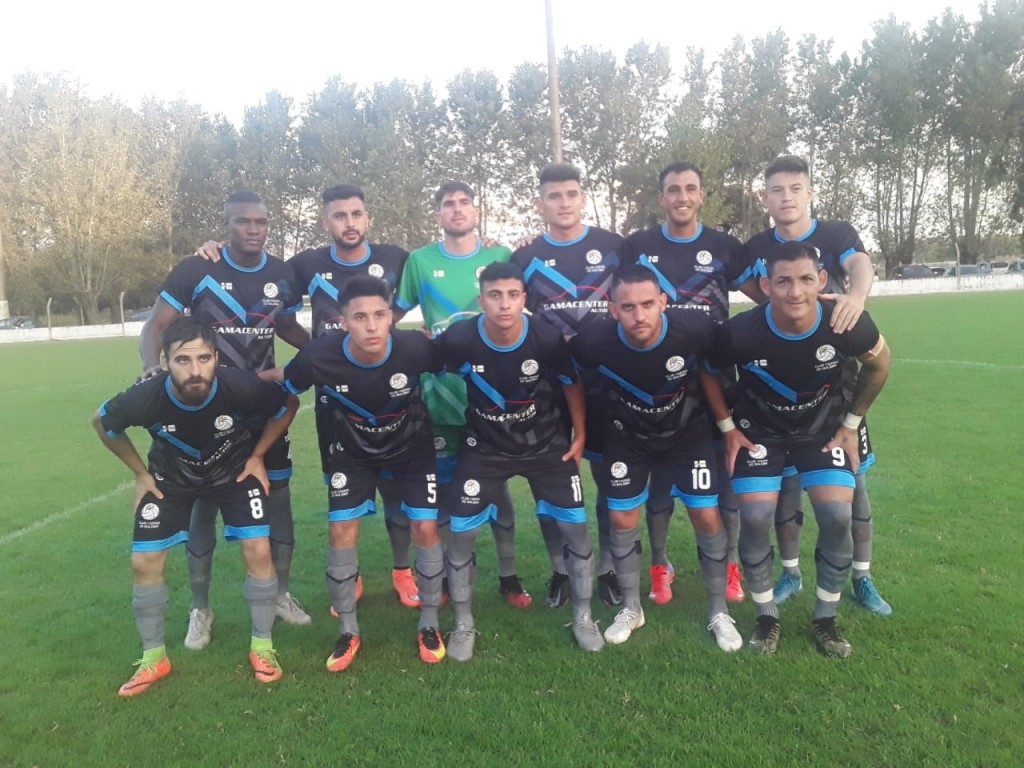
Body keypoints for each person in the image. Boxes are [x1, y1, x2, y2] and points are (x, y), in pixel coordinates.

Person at [195, 184, 416, 607]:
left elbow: (434, 274)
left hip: (389, 390)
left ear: (367, 217)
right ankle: (349, 575)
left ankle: (403, 572)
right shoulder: (304, 265)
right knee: (343, 490)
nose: (349, 222)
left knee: (395, 490)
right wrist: (322, 354)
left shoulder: (397, 259)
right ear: (325, 221)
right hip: (335, 398)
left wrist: (378, 339)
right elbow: (277, 311)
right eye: (339, 215)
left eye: (356, 214)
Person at [140, 190, 312, 649]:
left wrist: (325, 351)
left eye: (261, 222)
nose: (254, 229)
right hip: (209, 409)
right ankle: (200, 609)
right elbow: (156, 325)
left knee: (278, 500)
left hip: (261, 406)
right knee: (204, 504)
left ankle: (280, 594)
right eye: (243, 222)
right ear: (226, 225)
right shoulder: (198, 269)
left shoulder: (282, 274)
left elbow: (286, 326)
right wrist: (152, 369)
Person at [94, 316, 299, 695]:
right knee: (143, 560)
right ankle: (154, 659)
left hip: (234, 474)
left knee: (258, 548)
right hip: (170, 480)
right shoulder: (146, 396)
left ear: (216, 358)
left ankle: (262, 648)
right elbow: (102, 423)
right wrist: (140, 474)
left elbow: (287, 404)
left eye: (204, 358)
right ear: (165, 361)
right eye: (183, 360)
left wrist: (258, 456)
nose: (195, 370)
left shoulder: (239, 385)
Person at [707, 241, 892, 657]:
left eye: (806, 279)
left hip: (821, 433)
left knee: (838, 515)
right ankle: (766, 617)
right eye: (783, 281)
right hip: (761, 434)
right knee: (755, 517)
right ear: (765, 285)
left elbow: (881, 363)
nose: (796, 292)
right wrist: (727, 427)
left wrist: (851, 423)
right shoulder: (740, 331)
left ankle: (825, 618)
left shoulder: (845, 322)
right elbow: (707, 371)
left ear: (822, 280)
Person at [276, 276, 446, 669]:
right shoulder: (318, 356)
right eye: (360, 317)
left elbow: (458, 359)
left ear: (390, 316)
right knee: (340, 530)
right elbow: (284, 382)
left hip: (412, 449)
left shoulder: (415, 347)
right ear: (342, 321)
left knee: (425, 527)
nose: (371, 326)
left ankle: (430, 624)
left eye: (379, 315)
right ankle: (348, 632)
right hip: (352, 453)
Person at [746, 155, 891, 615]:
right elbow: (758, 295)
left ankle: (862, 577)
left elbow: (861, 264)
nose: (786, 197)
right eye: (777, 189)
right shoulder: (755, 247)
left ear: (810, 193)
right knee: (786, 486)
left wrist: (855, 298)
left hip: (836, 384)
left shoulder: (836, 234)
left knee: (853, 488)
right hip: (780, 388)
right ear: (765, 198)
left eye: (795, 188)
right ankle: (790, 573)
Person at [436, 261, 603, 660]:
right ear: (481, 300)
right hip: (483, 448)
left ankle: (583, 617)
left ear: (524, 299)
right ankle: (463, 623)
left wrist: (580, 434)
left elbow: (571, 385)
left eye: (513, 295)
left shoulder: (546, 338)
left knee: (576, 530)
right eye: (495, 295)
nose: (504, 304)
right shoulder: (459, 338)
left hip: (545, 446)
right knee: (461, 535)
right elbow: (420, 364)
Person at [570, 265, 742, 651]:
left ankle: (719, 611)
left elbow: (716, 369)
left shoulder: (695, 329)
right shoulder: (592, 341)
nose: (639, 315)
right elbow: (573, 379)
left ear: (664, 302)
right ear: (612, 309)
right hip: (627, 438)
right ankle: (632, 608)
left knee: (706, 515)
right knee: (620, 517)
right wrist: (580, 432)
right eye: (628, 307)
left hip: (688, 436)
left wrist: (727, 426)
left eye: (648, 304)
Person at [617, 162, 761, 606]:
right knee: (660, 480)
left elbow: (766, 297)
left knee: (724, 476)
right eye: (673, 190)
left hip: (715, 376)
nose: (682, 197)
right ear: (662, 198)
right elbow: (620, 296)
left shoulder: (724, 247)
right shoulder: (637, 246)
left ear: (701, 195)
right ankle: (660, 566)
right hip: (657, 381)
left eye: (690, 189)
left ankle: (729, 565)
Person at [395, 181, 532, 608]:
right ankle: (446, 577)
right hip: (441, 395)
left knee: (499, 490)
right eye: (448, 204)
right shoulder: (419, 260)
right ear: (438, 214)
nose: (457, 209)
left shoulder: (500, 254)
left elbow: (523, 305)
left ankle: (509, 577)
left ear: (475, 211)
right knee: (445, 490)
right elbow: (391, 315)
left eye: (464, 203)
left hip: (494, 395)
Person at [510, 162, 623, 609]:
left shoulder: (614, 247)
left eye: (571, 194)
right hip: (548, 386)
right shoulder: (524, 258)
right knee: (552, 482)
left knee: (612, 478)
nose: (564, 203)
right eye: (554, 196)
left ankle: (609, 567)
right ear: (541, 203)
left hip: (608, 382)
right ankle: (560, 570)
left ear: (582, 198)